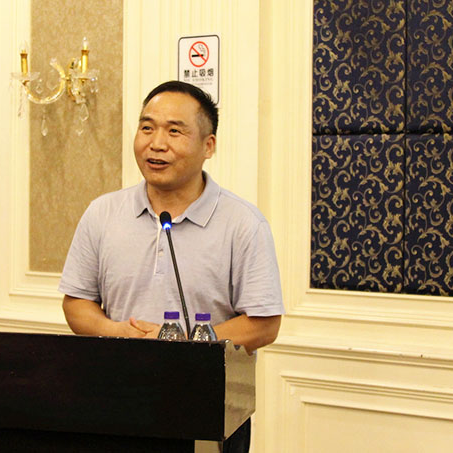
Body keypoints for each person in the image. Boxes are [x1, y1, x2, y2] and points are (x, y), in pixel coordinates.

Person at [58, 80, 284, 452]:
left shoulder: (243, 223)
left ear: (208, 146)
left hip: (207, 411)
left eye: (174, 131)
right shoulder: (102, 213)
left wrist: (185, 343)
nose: (157, 143)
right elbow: (77, 303)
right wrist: (118, 333)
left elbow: (264, 324)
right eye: (147, 128)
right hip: (115, 403)